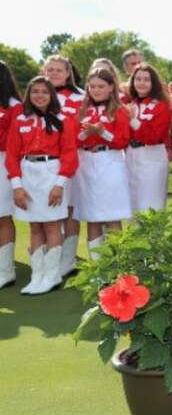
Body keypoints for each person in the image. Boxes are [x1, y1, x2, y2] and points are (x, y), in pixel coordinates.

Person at [6, 77, 78, 295]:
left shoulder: (63, 119)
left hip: (51, 173)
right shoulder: (20, 120)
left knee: (52, 225)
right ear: (29, 95)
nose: (39, 96)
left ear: (51, 95)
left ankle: (52, 275)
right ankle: (37, 276)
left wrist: (59, 184)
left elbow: (70, 154)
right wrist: (17, 186)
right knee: (34, 226)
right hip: (28, 173)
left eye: (44, 92)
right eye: (35, 91)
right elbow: (11, 155)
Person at [72, 68, 132, 257]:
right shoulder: (81, 110)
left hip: (110, 162)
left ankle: (118, 264)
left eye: (101, 86)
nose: (96, 90)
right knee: (92, 216)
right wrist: (88, 133)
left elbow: (122, 140)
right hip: (86, 163)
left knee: (112, 215)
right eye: (92, 86)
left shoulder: (119, 109)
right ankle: (96, 267)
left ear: (111, 87)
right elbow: (73, 139)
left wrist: (102, 132)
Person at [42, 55, 83, 276]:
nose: (54, 73)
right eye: (50, 69)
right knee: (50, 208)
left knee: (70, 209)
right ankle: (52, 260)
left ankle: (68, 260)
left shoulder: (81, 97)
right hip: (45, 163)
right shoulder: (38, 96)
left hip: (74, 158)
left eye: (59, 70)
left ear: (68, 73)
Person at [125, 64, 172, 212]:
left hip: (152, 155)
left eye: (146, 79)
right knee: (134, 205)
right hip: (131, 154)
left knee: (152, 205)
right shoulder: (129, 105)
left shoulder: (162, 106)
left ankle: (155, 236)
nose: (141, 83)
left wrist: (133, 120)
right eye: (138, 79)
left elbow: (154, 136)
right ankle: (137, 236)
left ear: (153, 83)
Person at [0, 62, 21, 290]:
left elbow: (13, 141)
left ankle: (6, 271)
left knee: (3, 216)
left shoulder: (15, 106)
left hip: (4, 164)